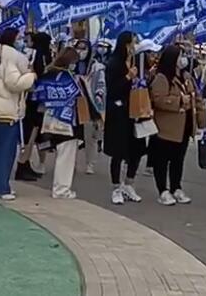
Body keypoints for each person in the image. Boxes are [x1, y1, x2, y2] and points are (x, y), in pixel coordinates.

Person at [0, 27, 36, 200]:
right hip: (7, 110)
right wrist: (31, 76)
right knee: (6, 151)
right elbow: (14, 83)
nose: (22, 41)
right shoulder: (12, 57)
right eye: (19, 38)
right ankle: (2, 187)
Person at [148, 45, 196, 206]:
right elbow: (158, 100)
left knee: (178, 159)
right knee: (162, 160)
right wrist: (179, 101)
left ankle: (177, 187)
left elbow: (197, 97)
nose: (183, 59)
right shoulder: (162, 78)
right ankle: (163, 190)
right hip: (165, 128)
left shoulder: (186, 77)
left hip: (184, 126)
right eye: (180, 56)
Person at [104, 32, 146, 205]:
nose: (134, 47)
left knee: (136, 150)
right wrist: (127, 77)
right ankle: (116, 187)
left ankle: (129, 183)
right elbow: (112, 89)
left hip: (134, 110)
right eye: (132, 43)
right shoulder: (114, 64)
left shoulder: (137, 62)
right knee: (118, 152)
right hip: (118, 112)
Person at [36, 46, 83, 199]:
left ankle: (59, 187)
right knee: (66, 158)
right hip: (67, 121)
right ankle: (62, 189)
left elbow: (38, 98)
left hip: (49, 120)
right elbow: (78, 98)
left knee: (58, 155)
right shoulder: (70, 78)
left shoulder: (47, 73)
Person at [15, 32, 52, 182]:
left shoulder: (35, 55)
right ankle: (22, 164)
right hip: (35, 102)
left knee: (33, 133)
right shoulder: (40, 56)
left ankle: (26, 163)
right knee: (30, 134)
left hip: (32, 100)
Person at [74, 39, 106, 176]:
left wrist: (99, 97)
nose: (81, 51)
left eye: (84, 48)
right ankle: (72, 163)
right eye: (78, 48)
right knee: (72, 137)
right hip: (73, 104)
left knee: (90, 138)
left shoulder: (96, 67)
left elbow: (101, 85)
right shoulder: (71, 65)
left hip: (89, 105)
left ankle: (90, 163)